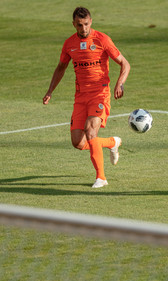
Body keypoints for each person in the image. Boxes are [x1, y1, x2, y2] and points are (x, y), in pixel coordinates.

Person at [43, 7, 130, 188]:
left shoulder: (102, 39)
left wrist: (119, 83)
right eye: (79, 25)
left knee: (91, 132)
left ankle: (101, 178)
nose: (83, 28)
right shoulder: (69, 44)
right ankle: (112, 142)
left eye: (86, 24)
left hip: (100, 93)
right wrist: (50, 90)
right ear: (74, 24)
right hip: (80, 96)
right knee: (78, 142)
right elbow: (61, 68)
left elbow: (125, 63)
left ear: (91, 21)